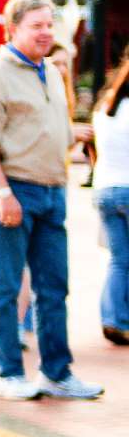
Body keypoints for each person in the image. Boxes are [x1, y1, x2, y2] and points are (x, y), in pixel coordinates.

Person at [0, 0, 101, 400]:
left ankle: (56, 373)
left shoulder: (51, 73)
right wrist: (3, 193)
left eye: (48, 25)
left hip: (51, 190)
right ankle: (6, 373)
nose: (45, 33)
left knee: (54, 285)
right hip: (11, 187)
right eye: (36, 26)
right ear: (13, 29)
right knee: (6, 285)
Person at [94, 52, 129, 346]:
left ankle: (113, 317)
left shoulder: (106, 107)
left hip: (105, 188)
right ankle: (119, 318)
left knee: (119, 260)